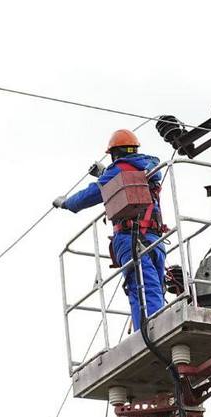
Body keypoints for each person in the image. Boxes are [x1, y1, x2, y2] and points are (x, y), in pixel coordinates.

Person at [53, 129, 165, 332]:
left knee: (139, 288)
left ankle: (148, 333)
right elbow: (127, 178)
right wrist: (105, 173)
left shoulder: (118, 170)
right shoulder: (151, 168)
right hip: (155, 239)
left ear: (115, 153)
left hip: (130, 240)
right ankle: (161, 325)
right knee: (156, 287)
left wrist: (66, 203)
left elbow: (91, 194)